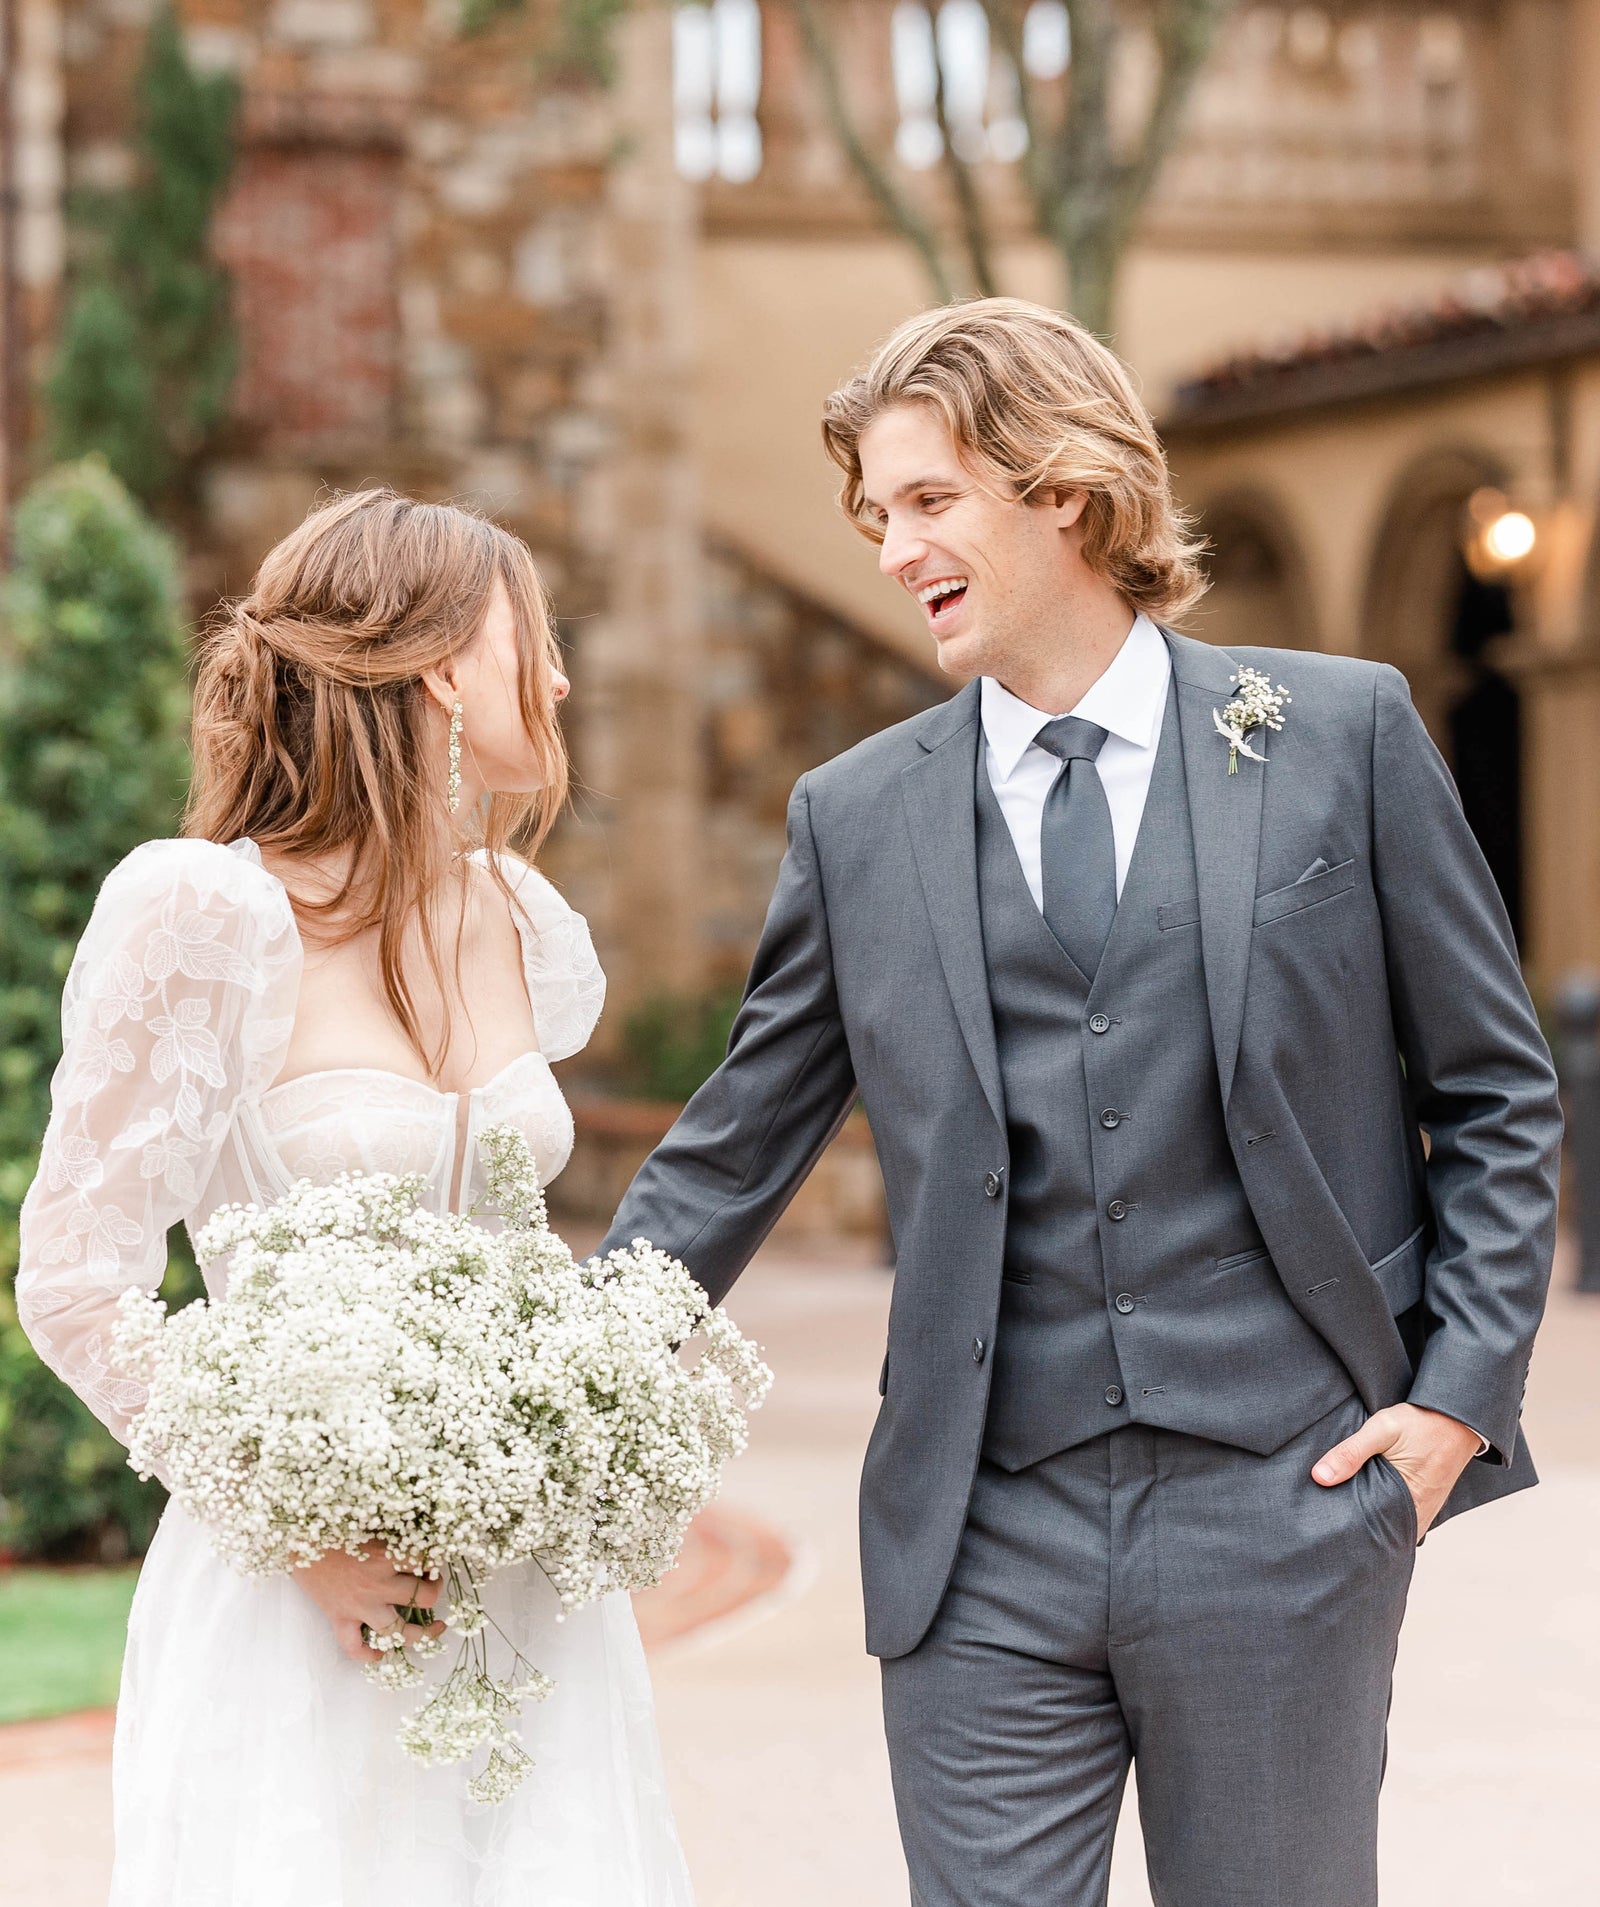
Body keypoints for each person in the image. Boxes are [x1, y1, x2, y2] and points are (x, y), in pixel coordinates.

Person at [597, 299, 1563, 1906]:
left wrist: (1454, 1407)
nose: (894, 549)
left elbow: (1496, 1090)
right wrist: (529, 1411)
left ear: (1062, 487)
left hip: (1289, 1507)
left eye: (927, 501)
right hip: (980, 1536)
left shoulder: (1339, 738)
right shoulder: (859, 819)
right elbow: (727, 1155)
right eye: (875, 515)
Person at [16, 490, 694, 1905]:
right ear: (443, 666)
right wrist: (303, 1529)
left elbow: (516, 1252)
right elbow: (78, 1277)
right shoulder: (205, 916)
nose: (561, 680)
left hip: (531, 1598)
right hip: (296, 1602)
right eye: (538, 640)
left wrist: (590, 1418)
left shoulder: (519, 917)